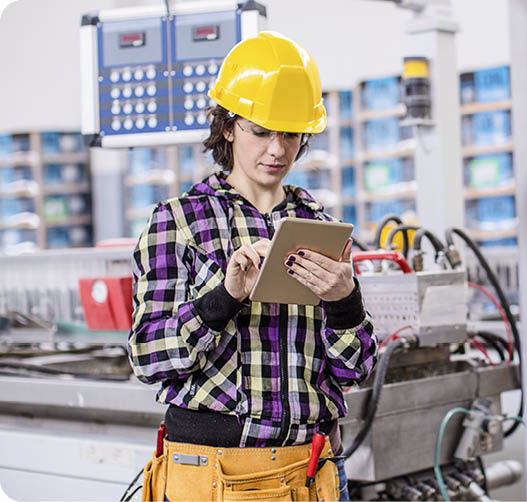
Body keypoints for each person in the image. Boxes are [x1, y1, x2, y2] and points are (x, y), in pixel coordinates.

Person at [127, 31, 376, 502]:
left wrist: (345, 304)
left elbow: (356, 369)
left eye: (290, 133)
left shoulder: (320, 229)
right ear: (227, 127)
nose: (277, 150)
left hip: (311, 469)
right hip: (213, 474)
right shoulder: (179, 222)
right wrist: (226, 296)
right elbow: (147, 356)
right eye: (260, 131)